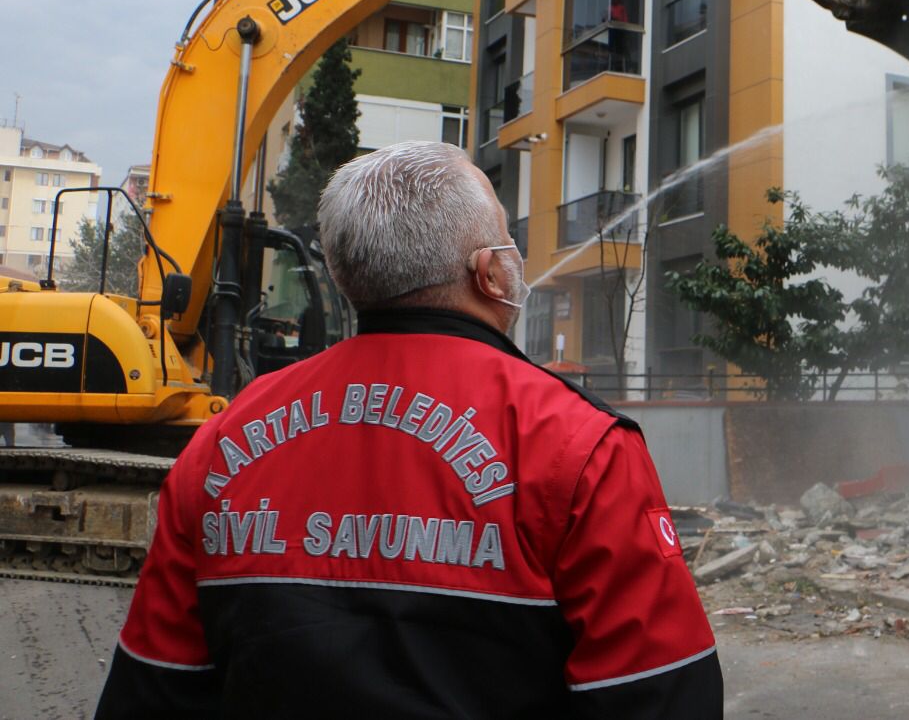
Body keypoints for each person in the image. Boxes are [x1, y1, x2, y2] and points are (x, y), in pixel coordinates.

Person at [96, 141, 722, 718]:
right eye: (507, 240)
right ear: (491, 274)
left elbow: (151, 690)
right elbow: (661, 695)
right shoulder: (578, 446)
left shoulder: (223, 440)